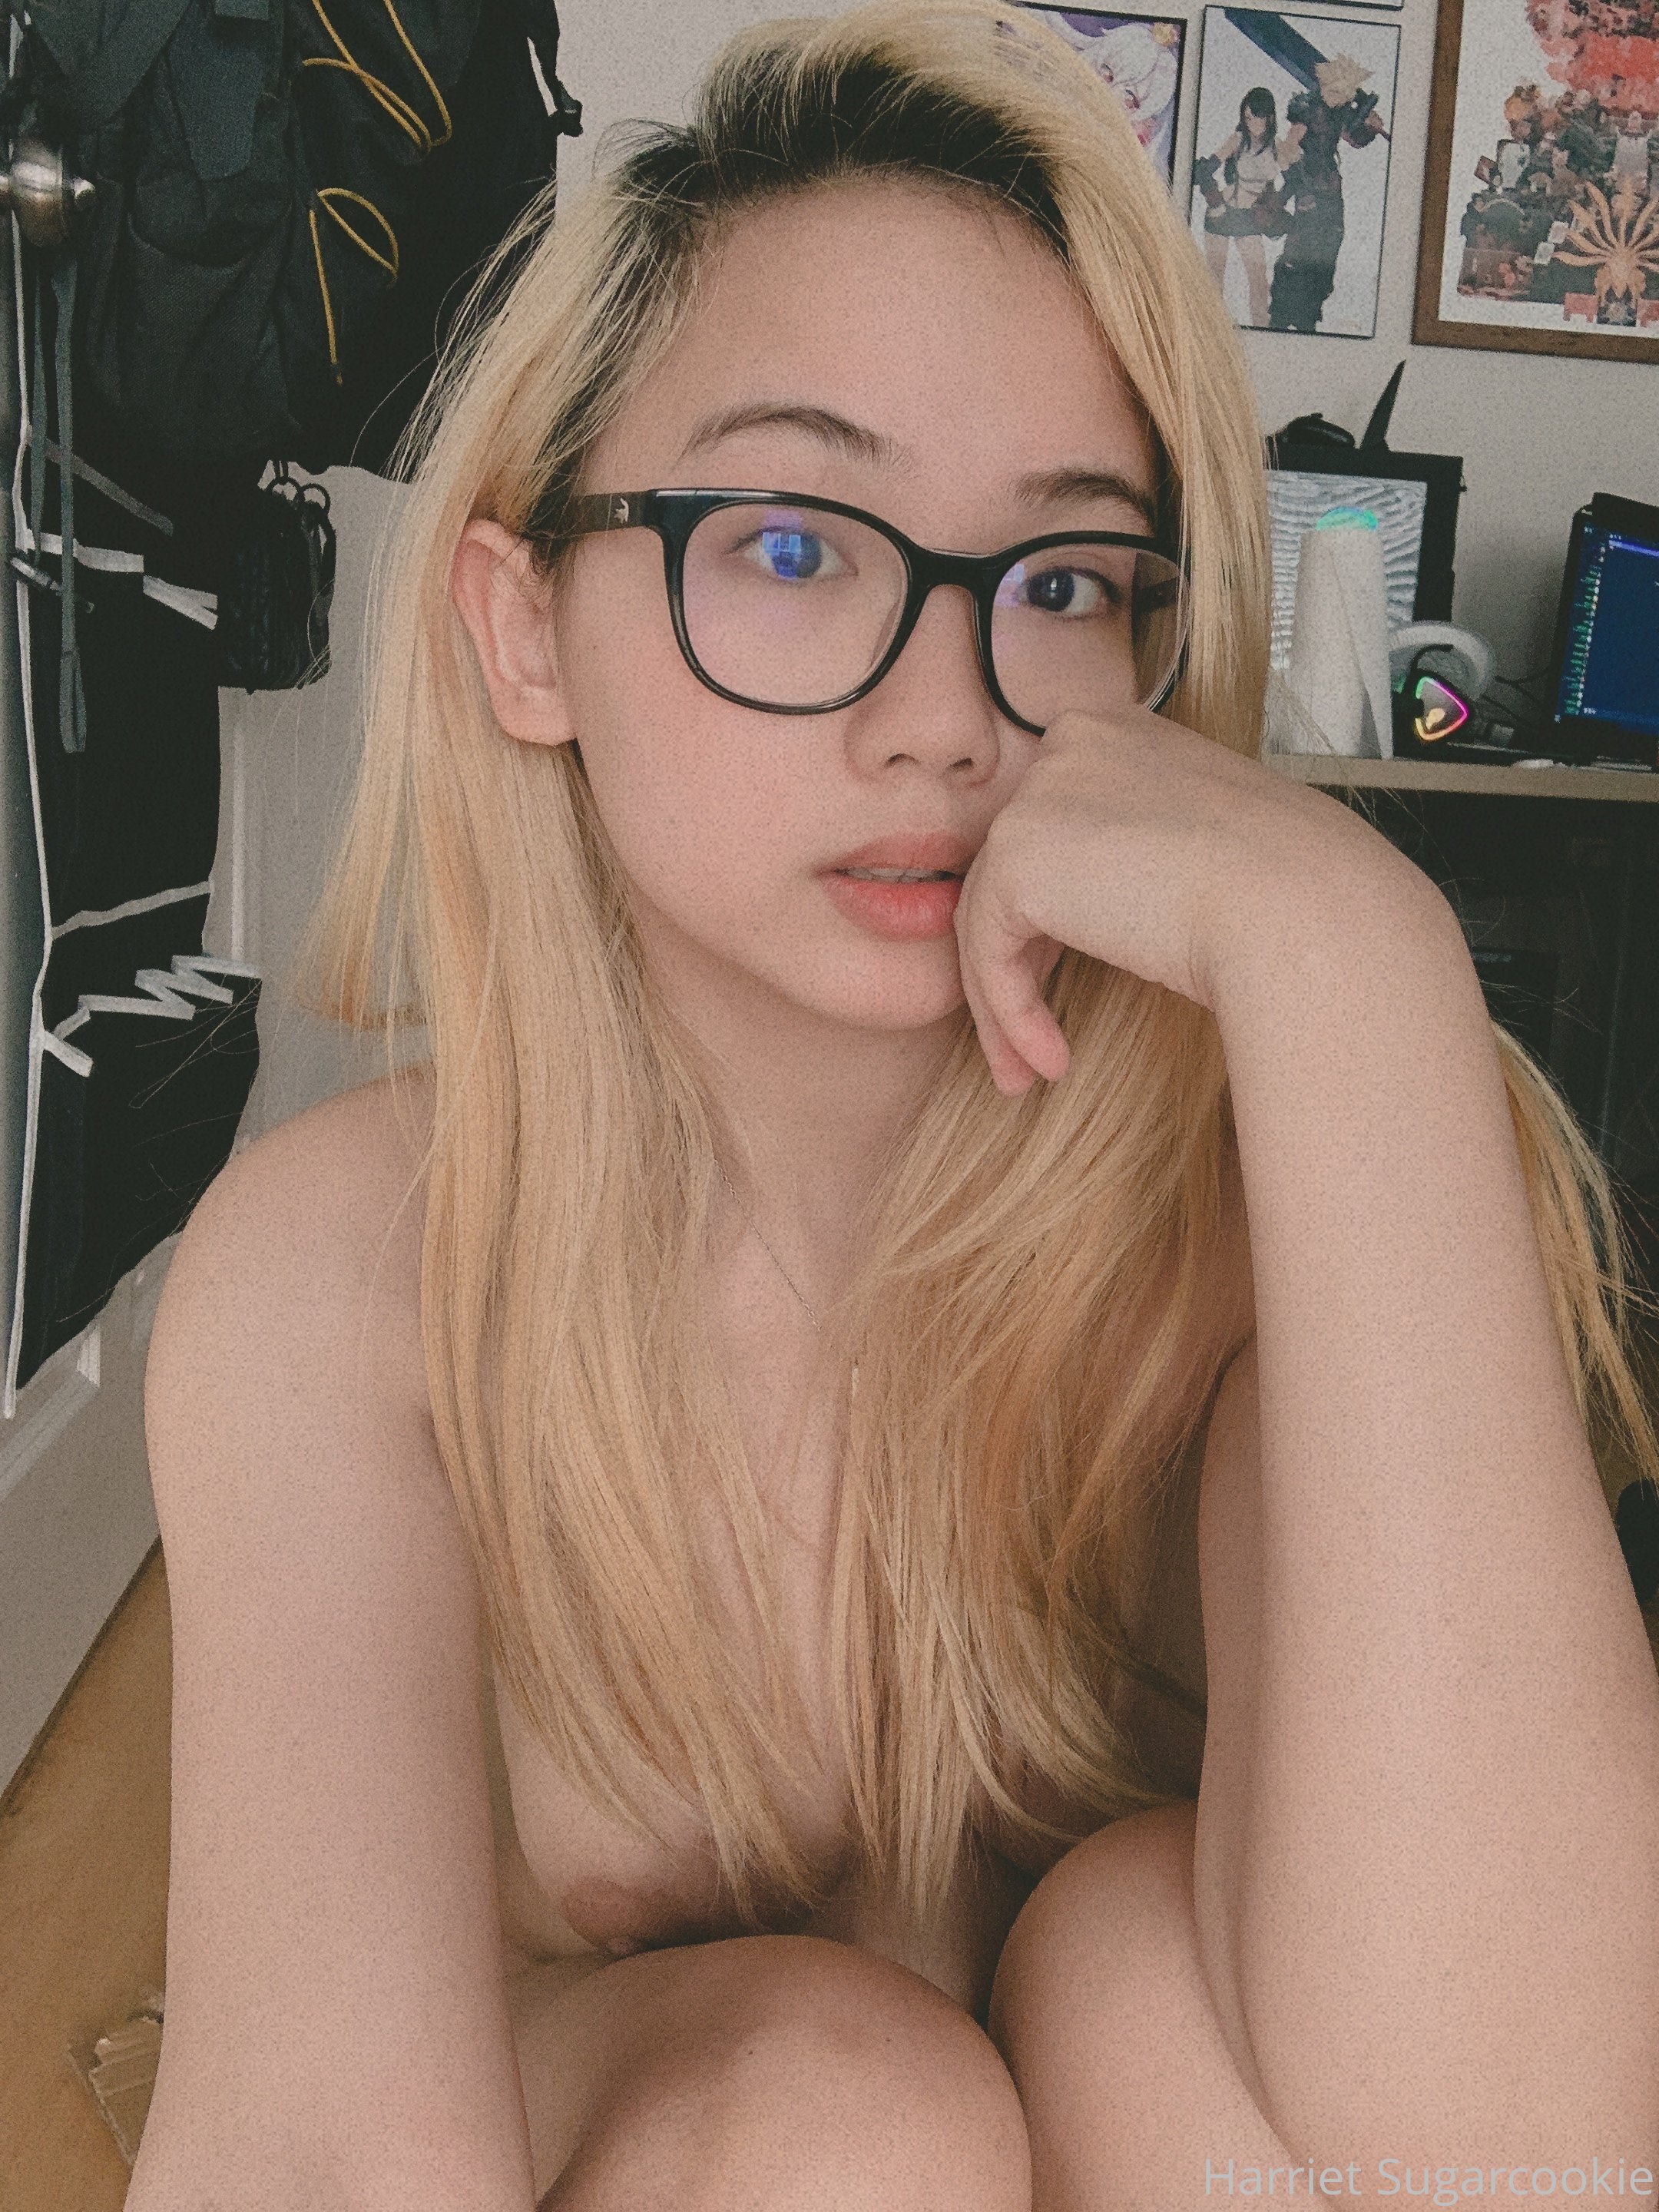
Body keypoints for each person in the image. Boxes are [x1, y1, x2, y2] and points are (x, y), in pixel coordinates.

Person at [130, 3, 1659, 2208]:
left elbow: (1523, 2142)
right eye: (789, 544)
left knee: (1145, 1982)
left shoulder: (1285, 1212)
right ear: (524, 628)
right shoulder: (355, 1278)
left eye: (1063, 582)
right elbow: (324, 2152)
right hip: (681, 2150)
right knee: (840, 2108)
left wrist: (1359, 966)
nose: (946, 712)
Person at [1267, 52, 1388, 332]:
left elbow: (1353, 139)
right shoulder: (1308, 109)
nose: (1341, 98)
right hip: (1308, 189)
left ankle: (1308, 314)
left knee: (1329, 246)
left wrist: (1371, 128)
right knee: (1300, 250)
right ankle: (1283, 314)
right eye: (1337, 92)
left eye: (1346, 94)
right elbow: (1286, 152)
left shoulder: (1339, 110)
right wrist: (1301, 188)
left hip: (1331, 193)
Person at [1197, 86, 1286, 327]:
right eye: (1247, 117)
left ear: (1269, 117)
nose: (1251, 122)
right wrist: (1209, 187)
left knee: (1259, 279)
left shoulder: (1277, 146)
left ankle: (1262, 330)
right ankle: (1211, 329)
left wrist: (1276, 206)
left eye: (1256, 116)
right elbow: (1209, 165)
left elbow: (1294, 180)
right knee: (1214, 278)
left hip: (1251, 217)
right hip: (1224, 212)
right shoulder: (1238, 140)